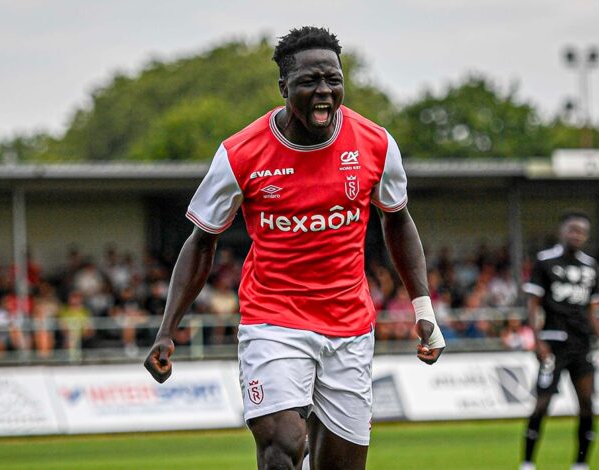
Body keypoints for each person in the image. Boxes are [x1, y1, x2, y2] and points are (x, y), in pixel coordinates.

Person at [144, 26, 445, 470]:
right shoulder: (240, 153)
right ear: (284, 86)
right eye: (310, 81)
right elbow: (200, 241)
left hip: (349, 327)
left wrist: (423, 308)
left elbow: (397, 219)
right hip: (274, 322)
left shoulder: (376, 144)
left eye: (333, 79)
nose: (324, 91)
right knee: (282, 446)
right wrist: (167, 329)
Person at [520, 212, 599, 470]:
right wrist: (536, 340)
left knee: (587, 403)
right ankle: (528, 462)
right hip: (553, 342)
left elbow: (593, 311)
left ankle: (581, 463)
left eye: (581, 231)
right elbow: (533, 304)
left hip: (581, 343)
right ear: (562, 231)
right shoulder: (545, 262)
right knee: (542, 403)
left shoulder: (590, 266)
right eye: (572, 229)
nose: (576, 235)